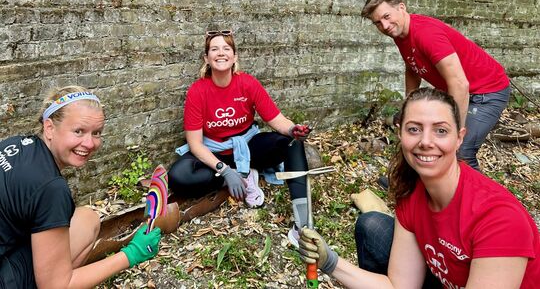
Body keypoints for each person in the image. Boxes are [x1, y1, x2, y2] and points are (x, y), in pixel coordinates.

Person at [298, 88, 539, 288]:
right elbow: (399, 286)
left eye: (440, 131)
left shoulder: (498, 218)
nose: (425, 141)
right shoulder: (412, 191)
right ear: (400, 134)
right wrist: (330, 262)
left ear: (460, 138)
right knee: (372, 226)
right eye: (414, 129)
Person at [0, 86, 162, 288]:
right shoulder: (51, 188)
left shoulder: (15, 144)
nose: (90, 143)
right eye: (78, 131)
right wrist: (131, 254)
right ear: (49, 127)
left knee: (86, 219)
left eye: (97, 133)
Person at [168, 30, 311, 245]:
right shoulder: (198, 91)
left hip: (247, 147)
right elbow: (195, 144)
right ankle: (239, 175)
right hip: (215, 152)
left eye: (226, 48)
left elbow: (276, 118)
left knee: (292, 143)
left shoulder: (248, 83)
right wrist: (224, 170)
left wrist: (293, 130)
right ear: (207, 58)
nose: (221, 53)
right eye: (214, 49)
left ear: (234, 57)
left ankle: (303, 224)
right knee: (179, 176)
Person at [361, 0, 510, 170]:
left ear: (401, 7)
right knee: (423, 139)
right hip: (459, 90)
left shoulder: (426, 34)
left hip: (487, 93)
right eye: (378, 22)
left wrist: (454, 131)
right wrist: (409, 106)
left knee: (460, 151)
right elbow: (412, 65)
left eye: (386, 16)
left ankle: (473, 196)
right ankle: (416, 189)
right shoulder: (400, 33)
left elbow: (460, 85)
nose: (385, 26)